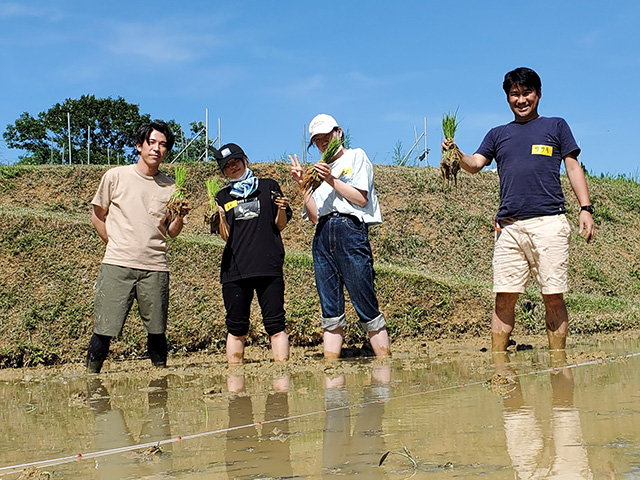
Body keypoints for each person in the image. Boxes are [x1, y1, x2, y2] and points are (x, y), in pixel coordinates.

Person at [450, 67, 595, 352]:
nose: (521, 99)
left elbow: (573, 166)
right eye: (514, 94)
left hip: (549, 223)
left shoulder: (556, 126)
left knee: (552, 296)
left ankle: (558, 363)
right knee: (504, 297)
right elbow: (476, 164)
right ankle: (499, 366)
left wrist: (585, 208)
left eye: (527, 93)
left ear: (538, 94)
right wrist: (456, 153)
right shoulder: (497, 134)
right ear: (507, 98)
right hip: (509, 228)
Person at [86, 121, 188, 373]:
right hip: (117, 265)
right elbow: (97, 215)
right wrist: (115, 243)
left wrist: (179, 216)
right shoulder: (115, 176)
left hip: (155, 267)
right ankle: (91, 380)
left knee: (157, 331)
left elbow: (172, 233)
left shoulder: (171, 188)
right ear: (139, 146)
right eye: (151, 143)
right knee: (104, 329)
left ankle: (160, 388)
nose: (157, 149)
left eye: (163, 145)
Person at [289, 114, 390, 360]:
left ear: (339, 132)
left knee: (364, 299)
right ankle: (330, 368)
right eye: (317, 140)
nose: (323, 142)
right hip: (323, 234)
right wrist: (304, 187)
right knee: (330, 305)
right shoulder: (317, 172)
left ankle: (384, 361)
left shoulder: (355, 156)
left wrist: (331, 180)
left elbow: (361, 198)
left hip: (350, 229)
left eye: (327, 136)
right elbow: (314, 217)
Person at [215, 143, 291, 364]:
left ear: (245, 160)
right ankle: (235, 383)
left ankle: (282, 379)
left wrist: (282, 209)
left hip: (268, 266)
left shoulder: (268, 187)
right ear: (223, 170)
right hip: (235, 271)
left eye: (236, 161)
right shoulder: (222, 196)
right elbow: (226, 236)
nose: (233, 167)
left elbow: (280, 225)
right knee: (236, 328)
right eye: (227, 165)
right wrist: (218, 216)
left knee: (275, 325)